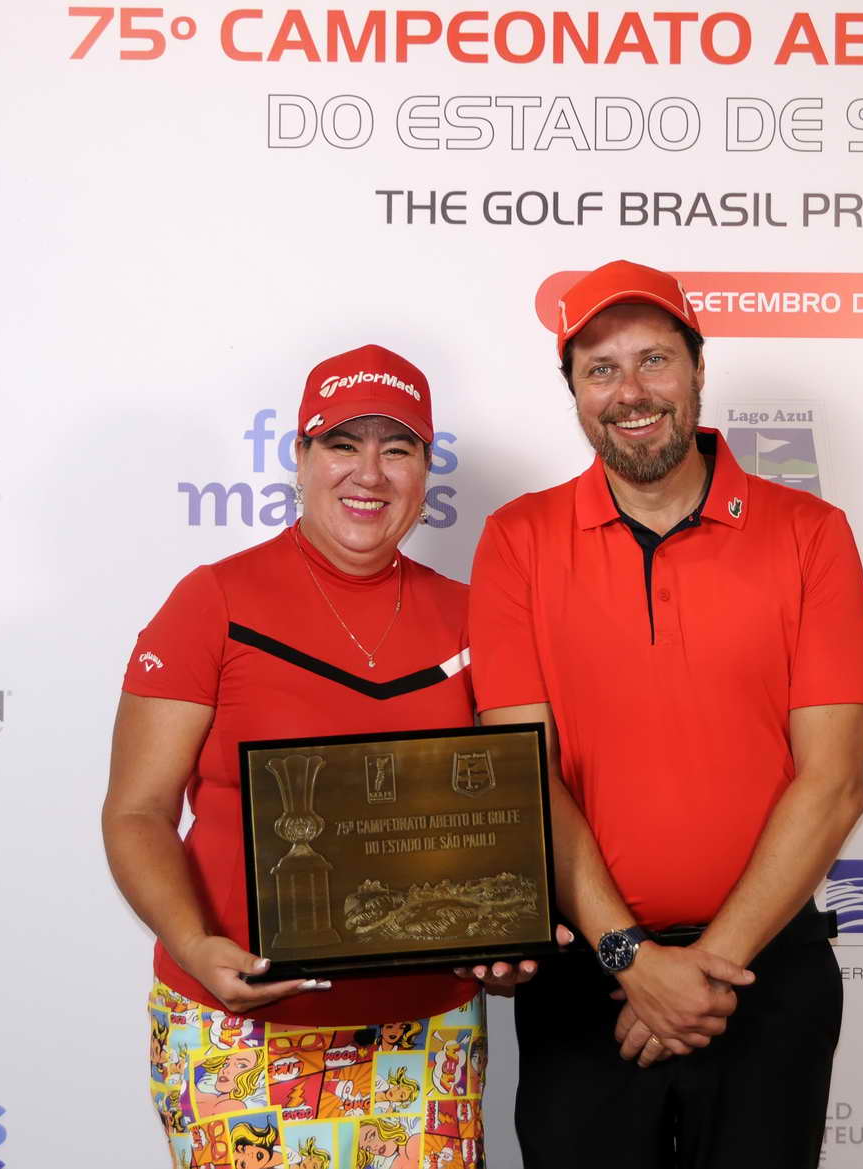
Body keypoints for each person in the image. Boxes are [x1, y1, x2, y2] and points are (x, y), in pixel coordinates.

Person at [470, 260, 863, 1168]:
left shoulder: (811, 534)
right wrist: (632, 958)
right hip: (587, 979)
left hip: (765, 971)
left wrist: (701, 975)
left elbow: (835, 783)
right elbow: (521, 775)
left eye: (653, 359)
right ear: (574, 391)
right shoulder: (517, 540)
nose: (631, 392)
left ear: (697, 368)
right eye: (601, 369)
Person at [105, 344, 541, 1169]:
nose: (369, 473)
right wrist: (195, 945)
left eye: (398, 448)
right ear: (300, 456)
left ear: (426, 471)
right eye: (343, 443)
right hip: (237, 1030)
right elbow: (136, 812)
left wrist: (506, 937)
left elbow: (503, 818)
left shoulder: (475, 616)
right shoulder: (213, 602)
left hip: (425, 1035)